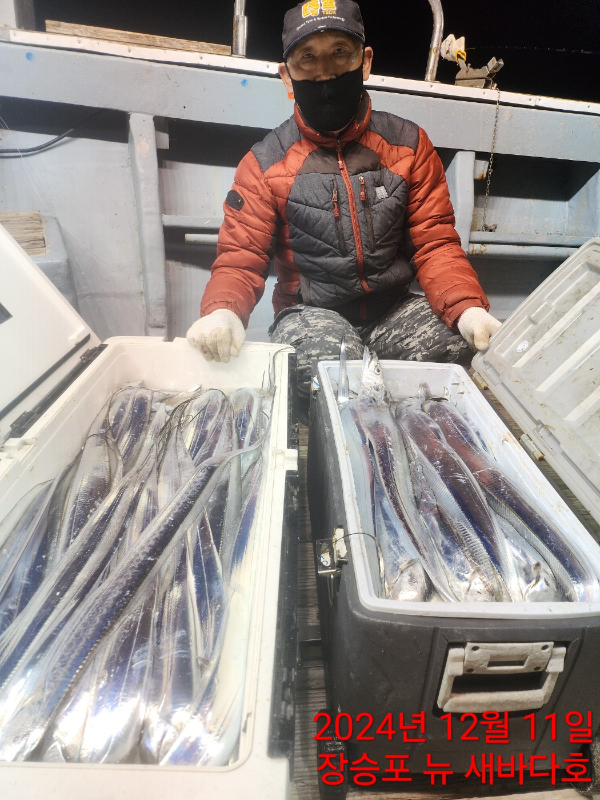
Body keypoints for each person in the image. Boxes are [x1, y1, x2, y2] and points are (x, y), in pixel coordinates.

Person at [186, 0, 501, 398]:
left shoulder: (409, 145)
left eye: (340, 52)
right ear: (287, 76)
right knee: (323, 375)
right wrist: (223, 311)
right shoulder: (264, 163)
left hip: (392, 309)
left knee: (457, 350)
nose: (325, 72)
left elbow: (434, 244)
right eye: (307, 58)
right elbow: (240, 258)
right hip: (310, 314)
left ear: (364, 62)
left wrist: (467, 308)